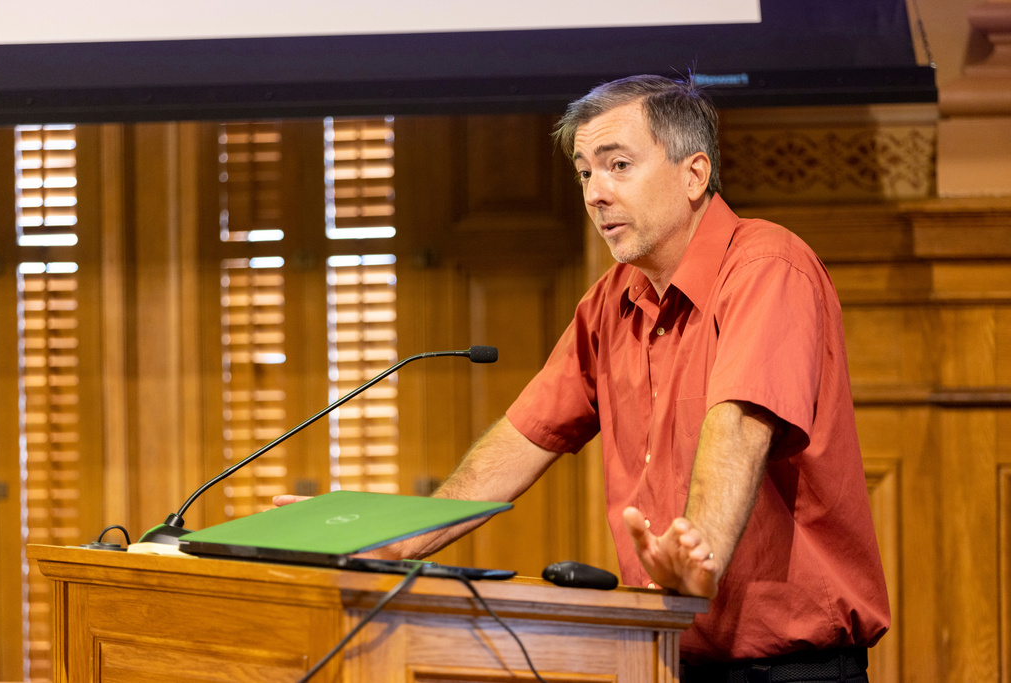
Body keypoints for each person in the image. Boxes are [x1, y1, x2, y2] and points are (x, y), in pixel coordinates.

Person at [277, 75, 890, 681]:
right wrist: (397, 541)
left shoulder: (766, 267)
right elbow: (524, 437)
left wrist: (698, 554)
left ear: (694, 174)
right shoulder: (607, 303)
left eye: (618, 165)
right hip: (662, 655)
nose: (596, 192)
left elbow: (737, 423)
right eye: (585, 173)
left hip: (790, 669)